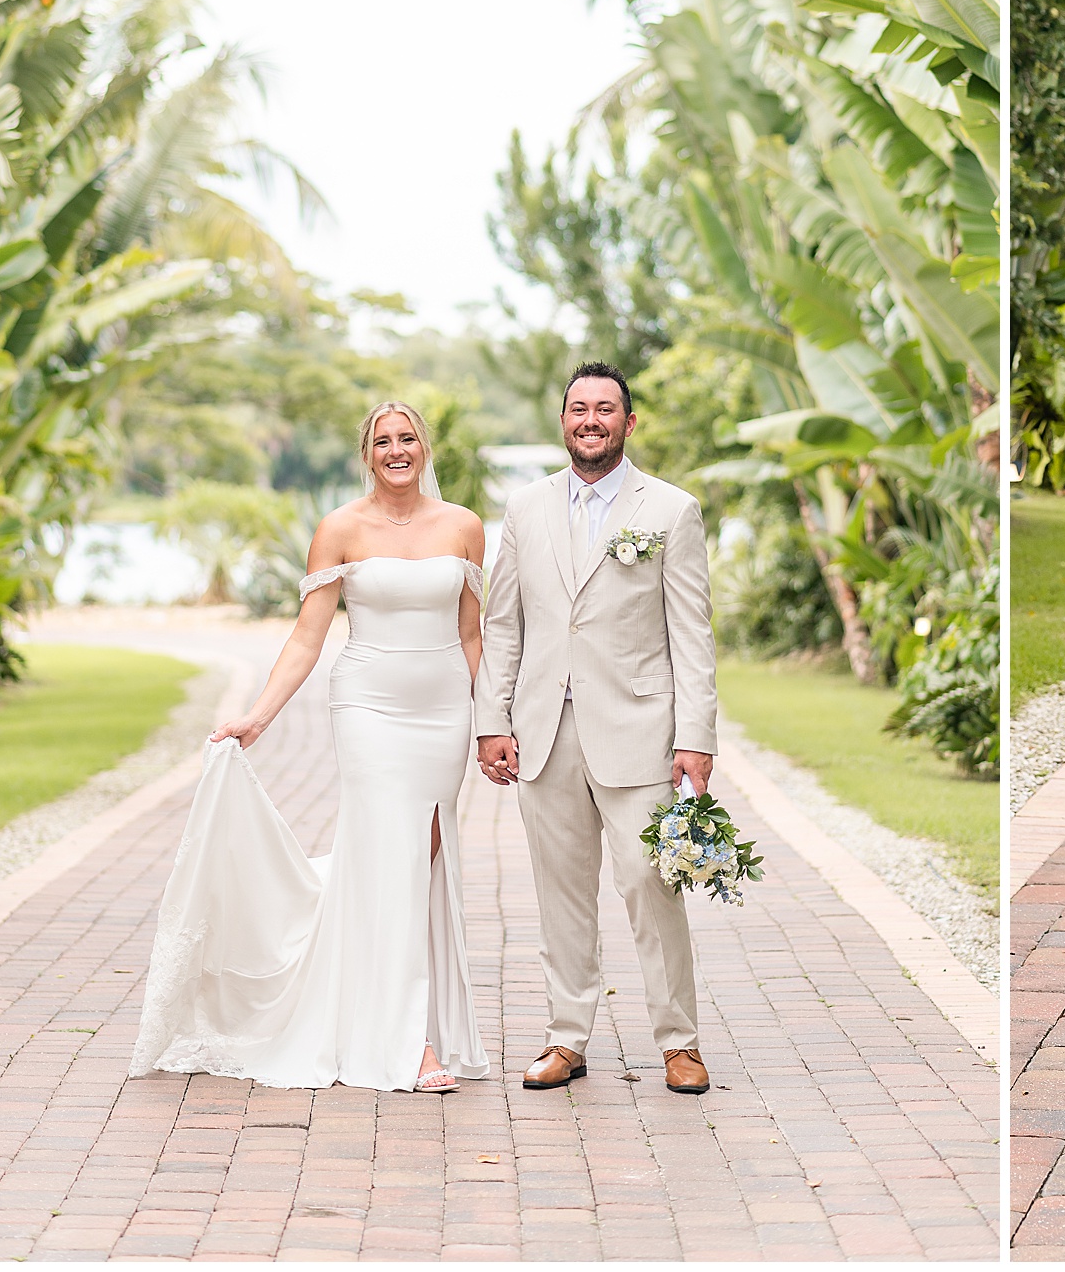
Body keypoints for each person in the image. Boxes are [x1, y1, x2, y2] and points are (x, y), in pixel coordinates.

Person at [129, 401, 492, 1093]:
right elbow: (307, 635)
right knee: (392, 857)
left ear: (424, 447)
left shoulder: (465, 526)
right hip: (369, 708)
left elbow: (473, 633)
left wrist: (493, 721)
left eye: (407, 437)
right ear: (367, 452)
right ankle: (408, 1043)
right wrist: (257, 717)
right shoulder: (340, 528)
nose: (396, 449)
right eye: (382, 440)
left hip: (442, 711)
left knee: (416, 868)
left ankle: (395, 1017)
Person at [475, 364, 718, 1095]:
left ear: (628, 422)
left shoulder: (672, 510)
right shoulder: (524, 507)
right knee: (560, 893)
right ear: (563, 421)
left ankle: (679, 1041)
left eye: (605, 408)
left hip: (640, 729)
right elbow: (503, 622)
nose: (591, 419)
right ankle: (566, 1037)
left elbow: (693, 633)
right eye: (578, 408)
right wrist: (493, 718)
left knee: (651, 884)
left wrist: (696, 736)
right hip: (544, 731)